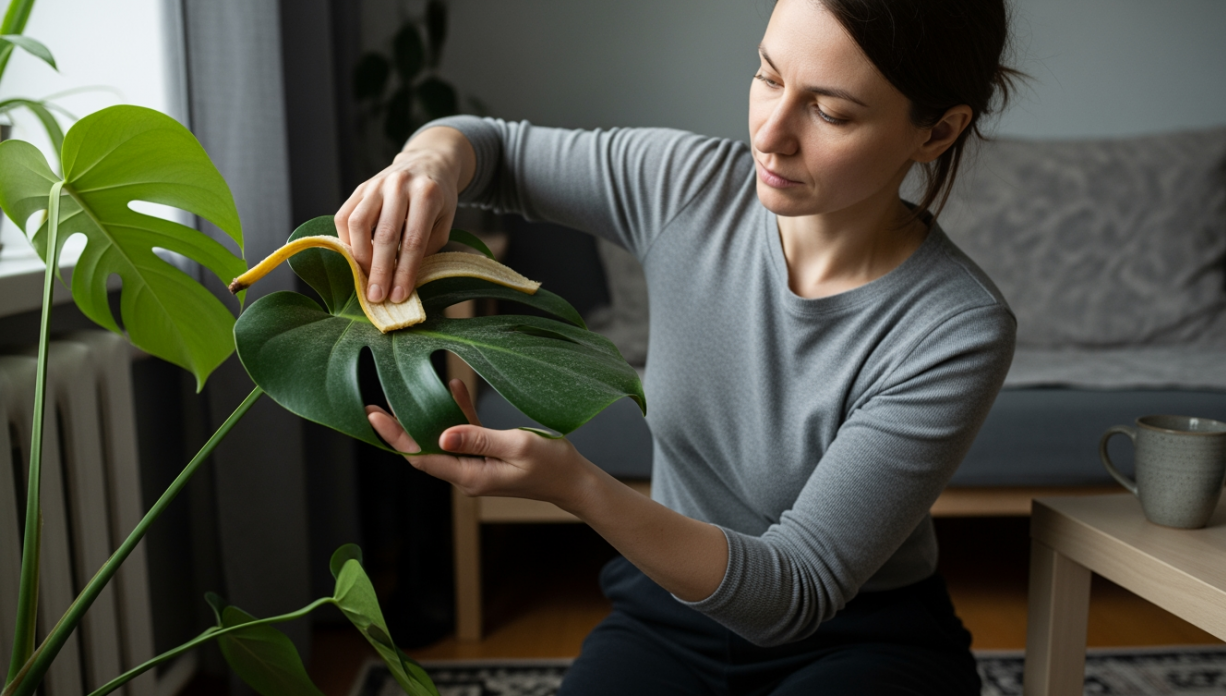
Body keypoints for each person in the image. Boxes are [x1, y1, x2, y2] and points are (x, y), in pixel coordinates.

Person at [337, 0, 1020, 692]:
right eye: (768, 76)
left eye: (830, 113)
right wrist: (424, 164)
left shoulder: (957, 326)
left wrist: (576, 487)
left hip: (861, 637)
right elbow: (491, 148)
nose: (770, 133)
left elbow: (794, 591)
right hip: (668, 617)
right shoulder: (685, 186)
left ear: (937, 131)